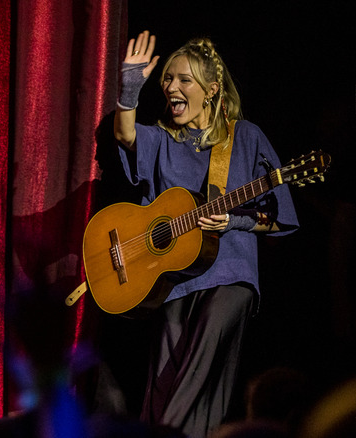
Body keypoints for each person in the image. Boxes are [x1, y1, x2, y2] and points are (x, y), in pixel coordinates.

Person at [113, 31, 299, 438]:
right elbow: (126, 134)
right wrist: (130, 87)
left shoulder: (245, 136)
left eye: (183, 80)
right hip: (174, 281)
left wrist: (235, 222)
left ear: (212, 90)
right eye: (167, 79)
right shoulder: (162, 139)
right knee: (164, 383)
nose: (171, 87)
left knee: (198, 372)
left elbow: (277, 217)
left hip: (230, 277)